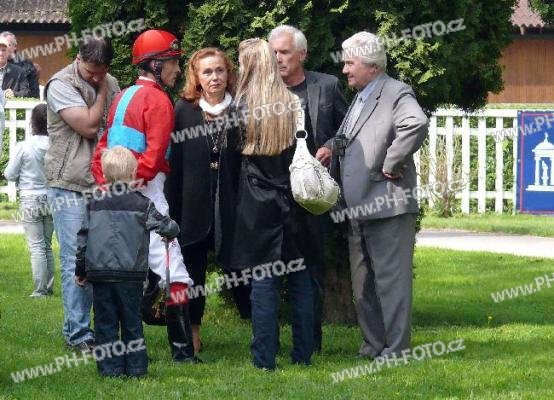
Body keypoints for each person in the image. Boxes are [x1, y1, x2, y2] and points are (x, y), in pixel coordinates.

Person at [91, 29, 199, 363]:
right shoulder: (159, 101)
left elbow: (102, 148)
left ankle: (118, 346)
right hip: (147, 191)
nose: (177, 69)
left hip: (112, 189)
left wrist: (109, 185)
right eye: (172, 62)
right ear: (155, 65)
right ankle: (183, 353)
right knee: (173, 269)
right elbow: (152, 157)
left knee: (124, 266)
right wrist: (135, 186)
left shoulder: (122, 96)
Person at [217, 38, 315, 371]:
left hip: (255, 203)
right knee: (300, 276)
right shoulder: (294, 103)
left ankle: (264, 357)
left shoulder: (240, 108)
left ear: (247, 66)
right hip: (294, 199)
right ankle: (303, 353)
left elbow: (230, 165)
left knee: (263, 280)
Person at [335, 31, 428, 358]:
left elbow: (416, 124)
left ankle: (397, 348)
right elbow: (353, 138)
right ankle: (373, 345)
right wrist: (331, 147)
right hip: (357, 207)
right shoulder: (361, 96)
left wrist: (392, 161)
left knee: (391, 282)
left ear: (372, 65)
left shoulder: (395, 92)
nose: (345, 70)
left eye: (350, 63)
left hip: (388, 205)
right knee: (363, 283)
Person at [268, 25, 348, 352]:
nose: (277, 58)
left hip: (312, 197)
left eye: (284, 52)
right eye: (273, 52)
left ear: (301, 54)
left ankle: (310, 342)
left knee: (310, 269)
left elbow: (349, 129)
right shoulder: (263, 90)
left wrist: (330, 146)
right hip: (271, 194)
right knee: (269, 272)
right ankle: (268, 343)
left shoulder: (326, 86)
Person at [167, 47, 250, 354]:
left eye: (219, 70)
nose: (214, 77)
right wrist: (173, 212)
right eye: (207, 72)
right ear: (196, 77)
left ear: (228, 73)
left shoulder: (240, 109)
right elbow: (175, 165)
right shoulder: (184, 110)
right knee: (192, 269)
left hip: (232, 202)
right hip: (193, 204)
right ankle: (192, 329)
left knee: (241, 268)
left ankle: (259, 326)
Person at [75, 146, 180, 377]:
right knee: (132, 322)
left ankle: (110, 369)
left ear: (104, 174)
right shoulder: (143, 204)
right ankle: (136, 368)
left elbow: (83, 239)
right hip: (131, 275)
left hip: (100, 274)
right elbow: (167, 226)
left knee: (105, 323)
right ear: (133, 173)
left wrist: (80, 269)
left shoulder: (94, 203)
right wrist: (172, 229)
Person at [44, 36, 120, 352]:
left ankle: (95, 330)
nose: (97, 78)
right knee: (76, 260)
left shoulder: (110, 80)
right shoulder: (60, 84)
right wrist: (102, 92)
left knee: (100, 259)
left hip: (101, 182)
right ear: (78, 58)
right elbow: (89, 127)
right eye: (91, 72)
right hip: (69, 184)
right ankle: (78, 334)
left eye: (102, 72)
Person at [4, 104, 54, 297]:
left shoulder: (24, 146)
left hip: (30, 196)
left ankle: (40, 290)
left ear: (33, 122)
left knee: (36, 246)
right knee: (47, 245)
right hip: (51, 197)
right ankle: (48, 286)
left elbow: (9, 174)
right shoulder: (55, 146)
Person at [1, 32, 40, 98]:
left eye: (8, 45)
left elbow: (34, 94)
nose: (1, 50)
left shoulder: (26, 65)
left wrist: (14, 94)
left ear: (15, 47)